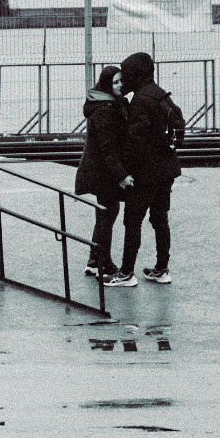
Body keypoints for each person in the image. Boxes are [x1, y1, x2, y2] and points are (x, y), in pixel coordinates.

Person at [105, 51, 182, 287]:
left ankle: (126, 273)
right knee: (160, 219)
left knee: (132, 221)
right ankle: (162, 269)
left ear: (135, 75)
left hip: (145, 173)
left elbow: (135, 142)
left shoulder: (140, 101)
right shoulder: (161, 95)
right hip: (166, 170)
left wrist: (125, 172)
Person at [74, 65, 133, 279]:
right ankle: (103, 263)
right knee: (107, 215)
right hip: (102, 171)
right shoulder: (104, 110)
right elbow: (107, 148)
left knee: (106, 214)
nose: (120, 85)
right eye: (115, 82)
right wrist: (121, 175)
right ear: (107, 85)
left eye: (121, 81)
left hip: (102, 170)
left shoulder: (110, 104)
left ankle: (95, 260)